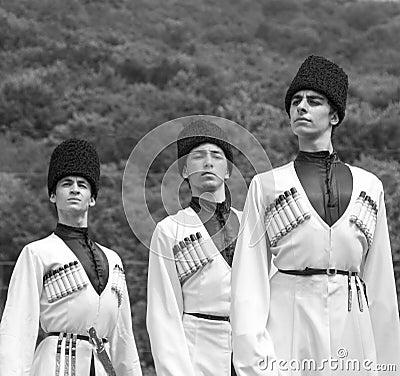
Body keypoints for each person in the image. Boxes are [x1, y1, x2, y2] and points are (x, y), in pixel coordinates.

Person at [231, 55, 400, 375]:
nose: (301, 107)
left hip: (353, 328)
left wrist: (390, 364)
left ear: (334, 115)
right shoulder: (267, 187)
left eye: (314, 101)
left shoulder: (370, 187)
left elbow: (380, 285)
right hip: (288, 328)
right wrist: (255, 364)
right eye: (295, 101)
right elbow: (248, 285)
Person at [0, 138, 142, 376]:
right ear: (53, 195)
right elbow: (18, 326)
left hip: (103, 367)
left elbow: (123, 336)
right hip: (53, 365)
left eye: (82, 185)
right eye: (66, 183)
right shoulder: (37, 253)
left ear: (92, 198)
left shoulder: (114, 260)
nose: (75, 189)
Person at [147, 119, 242, 376]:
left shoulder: (250, 224)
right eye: (198, 156)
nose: (208, 162)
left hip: (249, 354)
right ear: (185, 171)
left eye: (217, 156)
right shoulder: (170, 231)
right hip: (197, 355)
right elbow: (163, 314)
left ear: (228, 170)